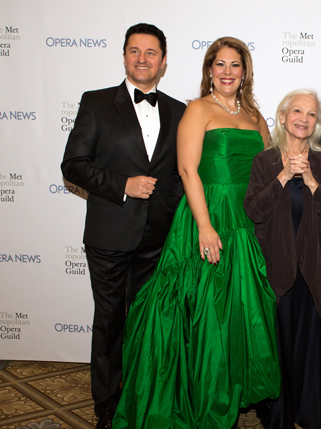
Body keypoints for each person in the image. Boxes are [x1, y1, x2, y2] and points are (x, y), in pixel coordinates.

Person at [111, 36, 280, 429]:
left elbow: (267, 168)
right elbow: (188, 170)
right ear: (209, 70)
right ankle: (207, 400)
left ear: (244, 71)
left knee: (242, 311)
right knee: (210, 314)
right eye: (219, 64)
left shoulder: (255, 114)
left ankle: (233, 390)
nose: (226, 72)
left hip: (246, 222)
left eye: (234, 65)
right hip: (209, 215)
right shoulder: (197, 110)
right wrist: (205, 227)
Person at [61, 23, 186, 429]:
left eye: (151, 52)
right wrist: (123, 186)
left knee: (151, 321)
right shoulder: (96, 103)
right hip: (110, 234)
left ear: (163, 61)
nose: (142, 59)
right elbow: (73, 165)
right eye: (134, 51)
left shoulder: (178, 110)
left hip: (158, 238)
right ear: (124, 56)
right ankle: (108, 406)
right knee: (111, 321)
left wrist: (169, 207)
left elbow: (181, 174)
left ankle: (145, 394)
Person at [245, 89, 321, 428]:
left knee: (311, 343)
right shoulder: (265, 161)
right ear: (284, 117)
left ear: (317, 123)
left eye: (311, 114)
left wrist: (312, 181)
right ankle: (280, 413)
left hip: (314, 268)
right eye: (297, 111)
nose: (303, 118)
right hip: (278, 267)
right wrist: (284, 176)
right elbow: (254, 211)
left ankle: (309, 410)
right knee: (279, 342)